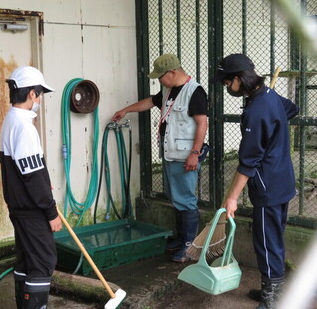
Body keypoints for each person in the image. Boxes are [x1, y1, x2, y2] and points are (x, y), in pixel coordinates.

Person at [212, 54, 299, 309]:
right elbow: (291, 109)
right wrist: (274, 126)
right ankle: (273, 290)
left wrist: (232, 197)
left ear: (238, 79)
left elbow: (248, 162)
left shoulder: (256, 109)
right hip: (283, 178)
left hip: (268, 185)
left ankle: (272, 299)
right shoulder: (268, 96)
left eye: (228, 82)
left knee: (266, 240)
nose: (227, 87)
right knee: (273, 237)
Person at [111, 53, 208, 262]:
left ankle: (190, 247)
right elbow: (150, 102)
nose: (159, 81)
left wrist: (195, 153)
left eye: (160, 77)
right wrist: (125, 110)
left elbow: (202, 124)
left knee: (186, 199)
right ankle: (182, 239)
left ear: (173, 72)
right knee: (175, 197)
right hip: (170, 152)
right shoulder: (168, 89)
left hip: (185, 156)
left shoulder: (195, 91)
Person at [0, 66, 62, 309]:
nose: (40, 100)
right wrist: (50, 210)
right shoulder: (24, 127)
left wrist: (43, 183)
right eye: (40, 95)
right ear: (33, 94)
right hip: (32, 209)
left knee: (26, 260)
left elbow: (25, 170)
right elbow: (32, 175)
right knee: (43, 261)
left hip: (19, 205)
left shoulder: (11, 120)